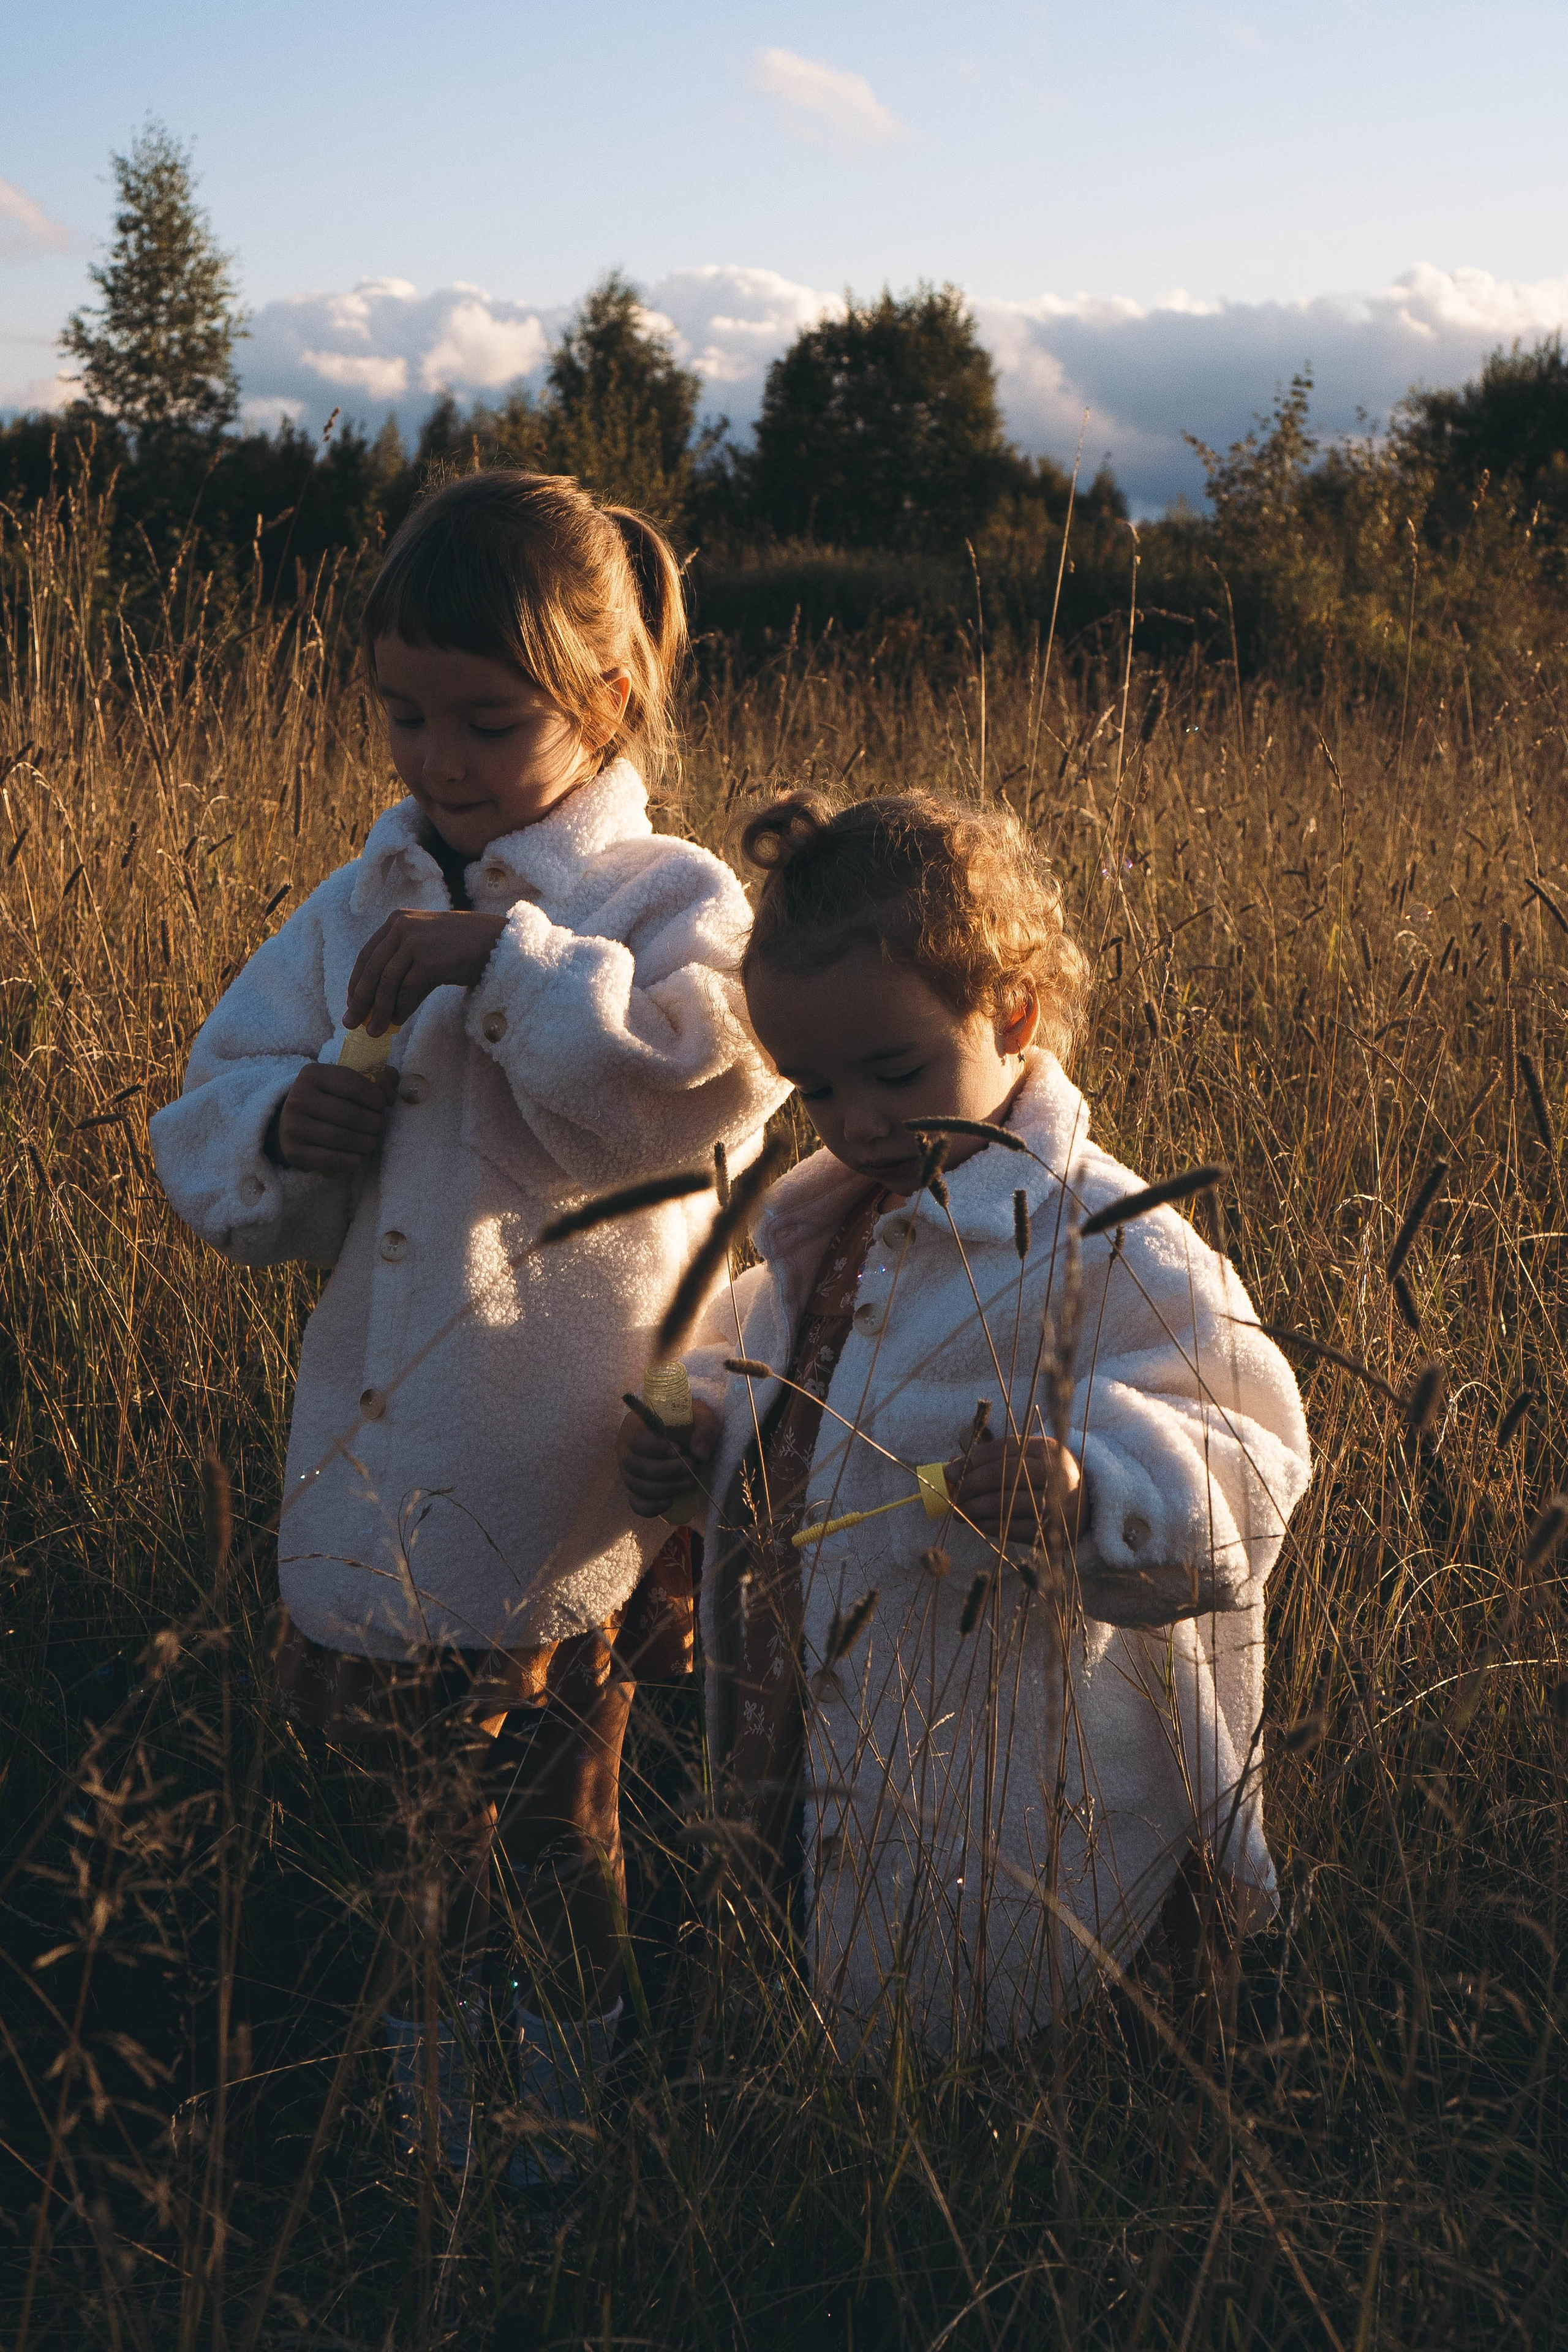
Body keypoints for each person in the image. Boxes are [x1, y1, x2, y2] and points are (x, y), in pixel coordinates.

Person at [150, 470, 786, 2180]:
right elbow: (208, 1107)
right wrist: (290, 1134)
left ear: (610, 700)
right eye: (406, 715)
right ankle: (442, 2141)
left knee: (564, 1819)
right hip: (382, 1465)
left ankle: (561, 2145)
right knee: (411, 1837)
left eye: (489, 723)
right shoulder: (358, 897)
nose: (439, 760)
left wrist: (498, 959)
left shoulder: (670, 898)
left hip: (568, 1470)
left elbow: (691, 1085)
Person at [616, 790, 1311, 2052]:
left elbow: (1251, 1450)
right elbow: (774, 1387)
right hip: (811, 1718)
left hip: (1022, 1774)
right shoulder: (820, 1229)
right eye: (815, 1088)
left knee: (1014, 2013)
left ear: (1011, 1011)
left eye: (895, 1073)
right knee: (830, 1966)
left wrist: (1100, 1492)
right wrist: (699, 1436)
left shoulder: (1110, 1240)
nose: (860, 1121)